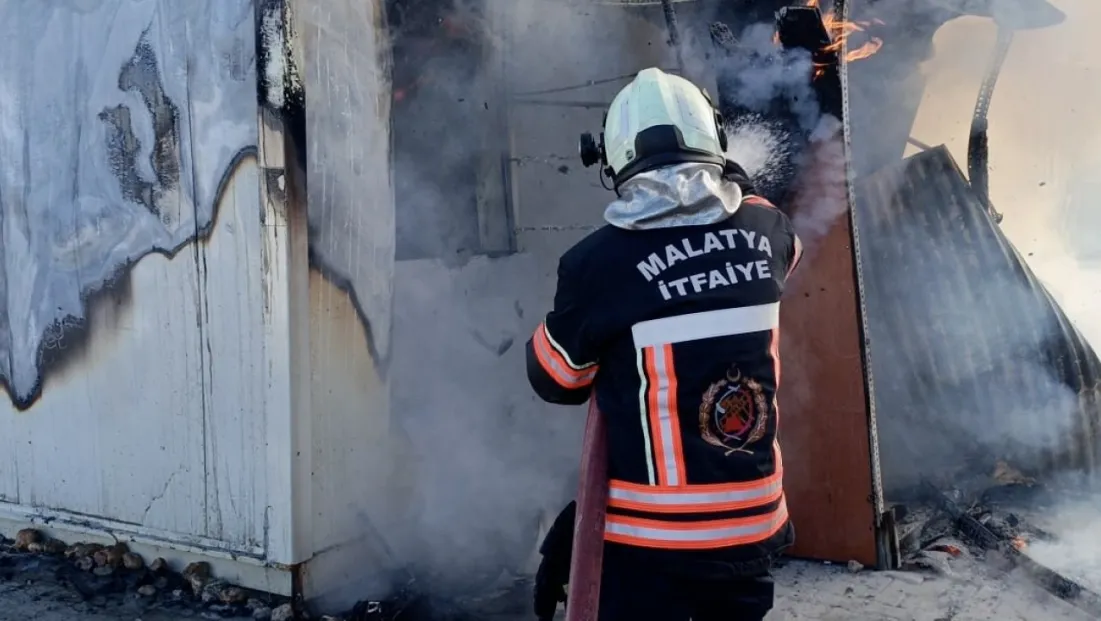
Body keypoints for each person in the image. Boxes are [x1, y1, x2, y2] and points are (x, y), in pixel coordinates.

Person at [525, 67, 803, 621]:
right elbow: (765, 230)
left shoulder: (595, 264)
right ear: (716, 144)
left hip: (653, 545)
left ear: (611, 160)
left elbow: (556, 379)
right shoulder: (769, 231)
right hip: (754, 528)